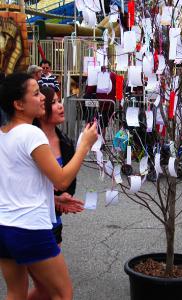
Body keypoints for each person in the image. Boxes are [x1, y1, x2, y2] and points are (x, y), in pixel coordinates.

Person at [0, 73, 97, 299]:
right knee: (63, 294)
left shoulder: (3, 135)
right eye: (36, 94)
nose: (42, 98)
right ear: (18, 104)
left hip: (4, 226)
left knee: (18, 292)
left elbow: (14, 186)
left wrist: (53, 199)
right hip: (28, 228)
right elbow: (62, 180)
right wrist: (84, 145)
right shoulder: (32, 133)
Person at [27, 86, 85, 299]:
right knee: (60, 292)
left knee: (45, 289)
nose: (60, 106)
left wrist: (62, 199)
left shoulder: (65, 142)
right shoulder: (31, 140)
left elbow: (66, 183)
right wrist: (85, 147)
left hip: (54, 222)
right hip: (32, 224)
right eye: (53, 102)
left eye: (60, 101)